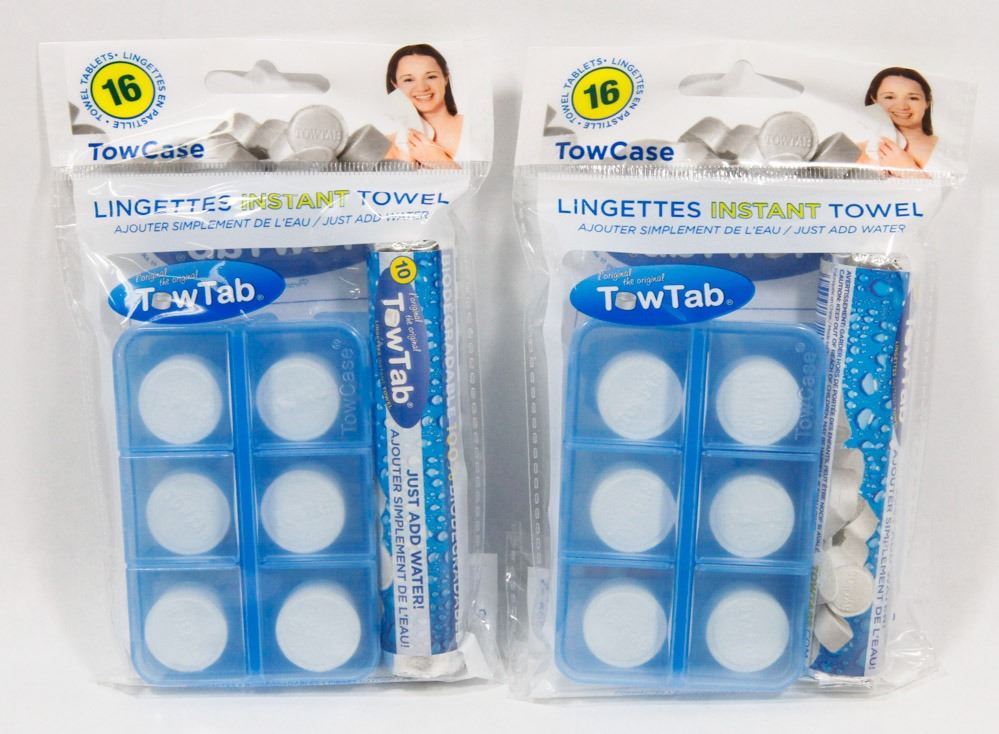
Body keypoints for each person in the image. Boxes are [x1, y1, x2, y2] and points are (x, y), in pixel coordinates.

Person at [385, 44, 465, 167]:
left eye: (431, 77)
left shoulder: (473, 126)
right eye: (408, 80)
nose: (422, 88)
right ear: (395, 85)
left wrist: (441, 162)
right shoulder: (389, 144)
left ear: (445, 78)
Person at [860, 67, 939, 172]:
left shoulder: (948, 149)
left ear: (927, 102)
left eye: (913, 98)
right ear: (874, 100)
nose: (902, 106)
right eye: (889, 97)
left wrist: (908, 170)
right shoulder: (859, 148)